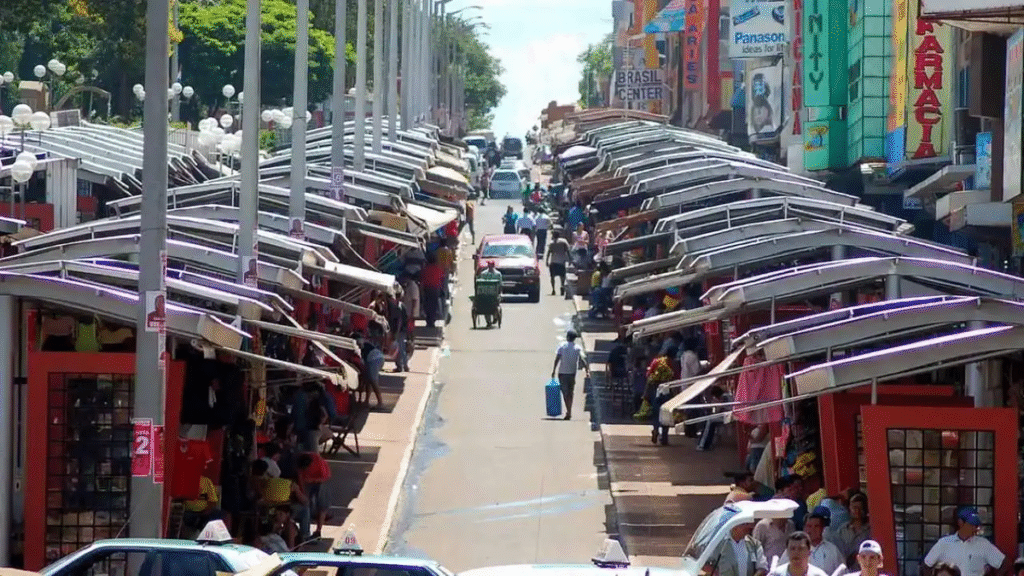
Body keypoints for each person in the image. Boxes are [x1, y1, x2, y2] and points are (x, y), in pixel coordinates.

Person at [922, 507, 1005, 576]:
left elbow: (1005, 563)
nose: (975, 528)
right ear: (960, 522)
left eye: (976, 525)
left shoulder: (983, 544)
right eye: (971, 524)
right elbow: (926, 566)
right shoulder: (944, 543)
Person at [780, 507, 844, 575]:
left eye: (816, 526)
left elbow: (843, 572)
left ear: (822, 528)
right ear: (804, 528)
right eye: (809, 526)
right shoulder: (793, 548)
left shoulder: (832, 550)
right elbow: (780, 571)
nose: (812, 529)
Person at [551, 330, 590, 420]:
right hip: (572, 374)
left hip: (562, 373)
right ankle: (569, 411)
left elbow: (557, 358)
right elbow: (583, 360)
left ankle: (569, 411)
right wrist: (587, 370)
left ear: (567, 337)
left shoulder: (562, 346)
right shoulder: (577, 348)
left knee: (565, 393)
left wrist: (553, 370)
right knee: (570, 393)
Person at [296, 452, 331, 539]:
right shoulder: (300, 462)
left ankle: (318, 530)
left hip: (320, 481)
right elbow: (300, 477)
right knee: (306, 503)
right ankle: (305, 529)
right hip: (307, 481)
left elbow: (325, 477)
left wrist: (312, 481)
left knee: (322, 503)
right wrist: (303, 493)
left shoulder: (319, 463)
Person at [835, 492, 871, 560]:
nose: (857, 510)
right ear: (849, 508)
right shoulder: (842, 530)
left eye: (860, 508)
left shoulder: (870, 530)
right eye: (854, 507)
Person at [420, 251, 445, 328]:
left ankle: (428, 320)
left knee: (427, 304)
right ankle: (432, 320)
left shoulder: (426, 269)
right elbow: (442, 279)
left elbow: (422, 279)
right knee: (434, 305)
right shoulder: (438, 268)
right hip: (435, 289)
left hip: (427, 289)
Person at [546, 230, 571, 295]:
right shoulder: (564, 242)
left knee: (552, 277)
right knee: (562, 276)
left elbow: (549, 252)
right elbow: (567, 250)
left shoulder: (551, 243)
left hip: (553, 262)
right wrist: (570, 259)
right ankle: (562, 286)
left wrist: (546, 261)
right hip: (561, 262)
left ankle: (553, 289)